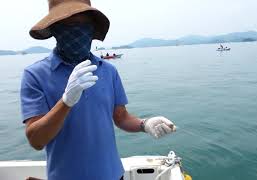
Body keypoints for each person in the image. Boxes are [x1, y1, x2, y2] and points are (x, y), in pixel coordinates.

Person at [20, 0, 176, 179]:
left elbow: (121, 117)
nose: (76, 30)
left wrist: (145, 124)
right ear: (55, 28)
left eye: (83, 24)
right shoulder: (34, 75)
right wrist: (66, 102)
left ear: (92, 29)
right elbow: (36, 140)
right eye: (68, 24)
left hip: (114, 175)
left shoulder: (108, 70)